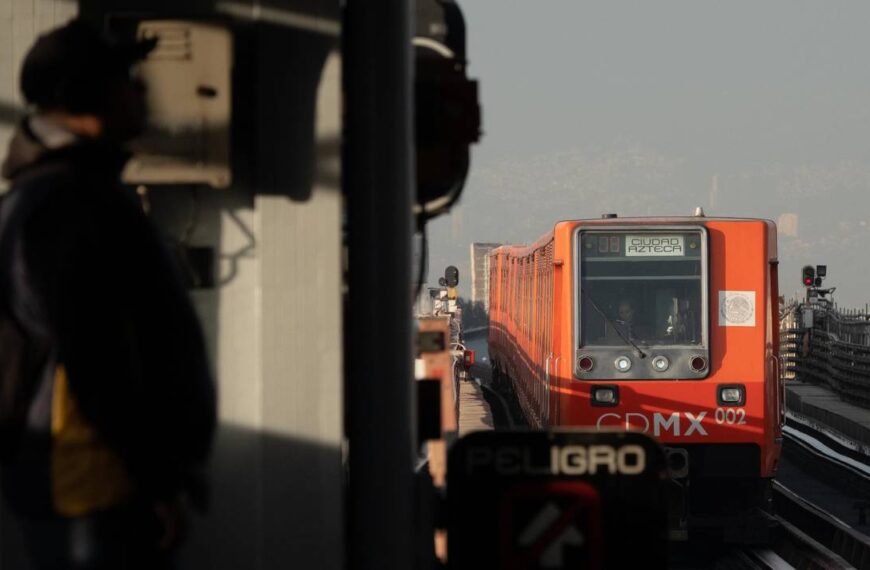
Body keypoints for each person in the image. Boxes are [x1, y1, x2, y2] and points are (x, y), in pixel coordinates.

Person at [0, 20, 216, 569]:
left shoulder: (60, 193)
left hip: (95, 484)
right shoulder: (66, 204)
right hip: (92, 489)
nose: (142, 90)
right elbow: (97, 357)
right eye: (128, 78)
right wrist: (156, 479)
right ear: (88, 96)